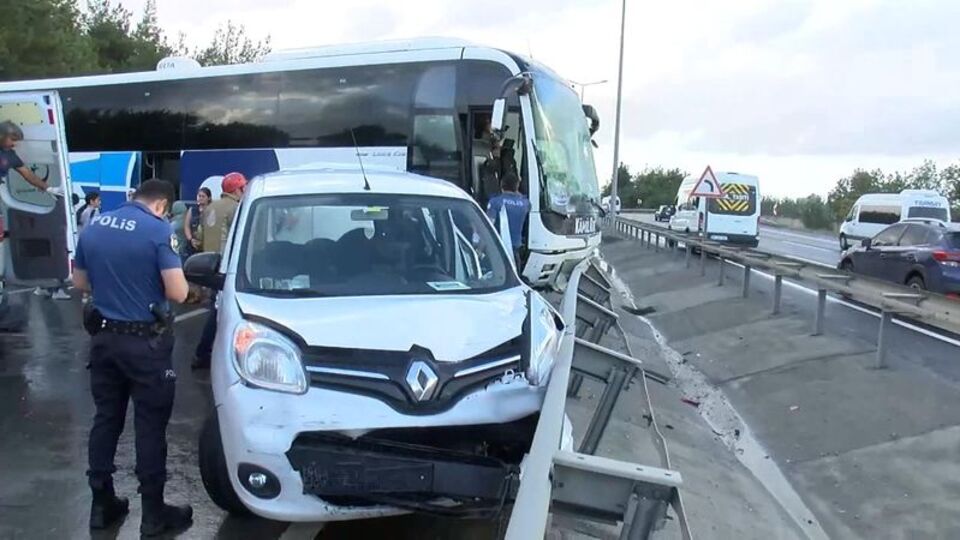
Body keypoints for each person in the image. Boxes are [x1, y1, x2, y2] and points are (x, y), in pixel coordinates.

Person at [72, 179, 193, 536]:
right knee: (150, 426)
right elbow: (179, 292)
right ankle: (153, 514)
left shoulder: (96, 225)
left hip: (104, 339)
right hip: (145, 345)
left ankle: (101, 504)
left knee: (106, 418)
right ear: (162, 205)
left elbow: (79, 282)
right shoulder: (157, 229)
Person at [192, 173, 246, 370]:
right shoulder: (236, 208)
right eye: (243, 188)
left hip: (208, 265)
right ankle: (203, 354)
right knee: (221, 312)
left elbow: (199, 236)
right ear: (237, 189)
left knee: (216, 310)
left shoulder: (209, 208)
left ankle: (204, 353)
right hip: (226, 267)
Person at [486, 172, 530, 267]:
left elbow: (488, 225)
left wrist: (480, 248)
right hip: (515, 251)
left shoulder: (495, 202)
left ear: (501, 185)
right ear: (517, 186)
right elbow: (521, 197)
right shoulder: (525, 204)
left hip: (498, 250)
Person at [0, 121, 51, 192]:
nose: (15, 144)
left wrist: (48, 188)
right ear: (1, 136)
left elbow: (28, 175)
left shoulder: (11, 156)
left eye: (16, 141)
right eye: (13, 140)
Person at [183, 187, 211, 254]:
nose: (200, 198)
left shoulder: (212, 210)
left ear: (209, 198)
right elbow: (186, 226)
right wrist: (190, 239)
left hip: (206, 245)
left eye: (203, 196)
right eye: (199, 196)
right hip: (192, 244)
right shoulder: (192, 210)